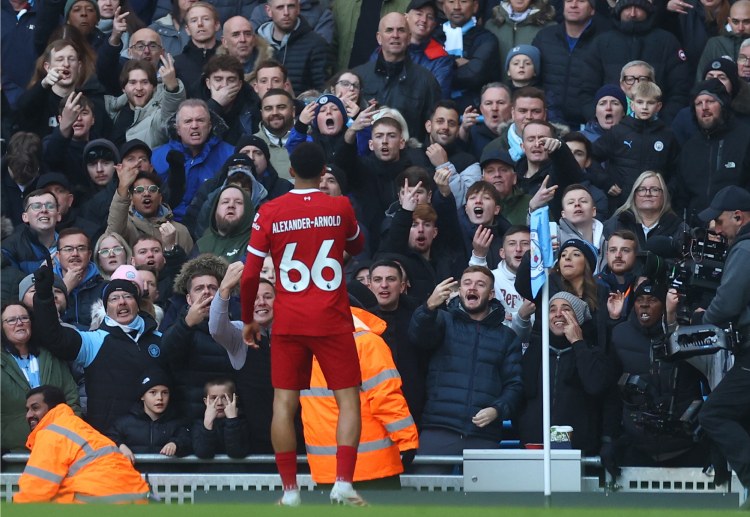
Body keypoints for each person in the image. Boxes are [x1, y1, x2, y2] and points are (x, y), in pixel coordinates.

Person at [240, 142, 366, 507]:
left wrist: (248, 318)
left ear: (290, 171)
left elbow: (250, 276)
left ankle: (291, 492)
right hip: (332, 318)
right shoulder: (339, 206)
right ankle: (342, 483)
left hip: (290, 320)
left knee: (284, 404)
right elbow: (357, 247)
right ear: (323, 171)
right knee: (348, 402)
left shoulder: (270, 210)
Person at [32, 256, 169, 432]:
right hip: (109, 439)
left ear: (137, 303)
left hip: (155, 439)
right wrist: (43, 296)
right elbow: (54, 337)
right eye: (114, 298)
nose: (122, 302)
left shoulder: (159, 338)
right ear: (106, 307)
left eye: (128, 296)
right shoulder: (94, 340)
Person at [409, 266, 523, 473]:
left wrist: (497, 410)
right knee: (425, 500)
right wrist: (428, 308)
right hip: (438, 427)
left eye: (480, 284)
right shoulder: (442, 320)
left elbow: (514, 385)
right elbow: (419, 337)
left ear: (491, 294)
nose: (472, 288)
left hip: (483, 434)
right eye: (467, 283)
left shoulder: (507, 337)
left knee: (482, 504)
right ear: (460, 291)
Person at [691, 186, 750, 494]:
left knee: (714, 414)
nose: (715, 228)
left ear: (738, 217)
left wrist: (703, 318)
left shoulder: (745, 248)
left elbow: (727, 303)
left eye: (718, 221)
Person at [611, 281, 708, 467]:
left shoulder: (686, 334)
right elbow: (610, 392)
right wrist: (611, 439)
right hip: (638, 448)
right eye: (640, 299)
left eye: (652, 299)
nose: (645, 304)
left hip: (686, 447)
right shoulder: (619, 335)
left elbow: (711, 385)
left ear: (665, 305)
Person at [14, 385, 150, 503]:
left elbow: (34, 492)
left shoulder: (51, 434)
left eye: (35, 408)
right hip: (135, 499)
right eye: (27, 410)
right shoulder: (78, 427)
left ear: (52, 409)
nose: (28, 415)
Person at [517, 291, 615, 454]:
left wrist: (578, 342)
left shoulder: (593, 353)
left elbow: (595, 386)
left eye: (566, 309)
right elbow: (520, 393)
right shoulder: (536, 351)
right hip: (534, 446)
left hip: (579, 450)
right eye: (552, 309)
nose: (558, 315)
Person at [581, 0, 690, 123]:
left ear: (647, 10)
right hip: (609, 130)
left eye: (638, 8)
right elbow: (587, 91)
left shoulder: (667, 42)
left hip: (656, 129)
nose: (632, 13)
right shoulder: (601, 42)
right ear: (618, 10)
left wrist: (662, 122)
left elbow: (680, 90)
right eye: (627, 8)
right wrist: (600, 120)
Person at [1, 303, 80, 451]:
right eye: (11, 320)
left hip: (59, 446)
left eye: (24, 318)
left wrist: (69, 434)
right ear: (1, 327)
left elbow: (71, 399)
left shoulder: (51, 356)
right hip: (13, 449)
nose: (19, 323)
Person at [591, 81, 681, 210]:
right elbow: (591, 157)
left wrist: (667, 193)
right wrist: (605, 182)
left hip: (655, 205)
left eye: (650, 103)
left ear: (659, 106)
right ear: (632, 105)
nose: (644, 107)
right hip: (622, 203)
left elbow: (677, 170)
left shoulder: (667, 135)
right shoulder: (618, 131)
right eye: (640, 102)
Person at [354, 12, 441, 141]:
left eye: (401, 30)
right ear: (379, 38)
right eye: (389, 30)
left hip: (410, 156)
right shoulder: (359, 76)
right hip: (364, 156)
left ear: (409, 37)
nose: (395, 35)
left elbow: (433, 130)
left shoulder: (426, 81)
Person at [673, 79, 750, 219]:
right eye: (698, 103)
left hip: (737, 228)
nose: (704, 107)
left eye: (710, 101)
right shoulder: (689, 148)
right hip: (696, 229)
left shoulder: (745, 138)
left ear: (723, 105)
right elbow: (681, 197)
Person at [151, 99, 235, 220]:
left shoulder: (230, 155)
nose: (194, 126)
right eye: (188, 121)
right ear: (178, 129)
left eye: (200, 120)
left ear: (210, 126)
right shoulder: (157, 157)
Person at [532, 0, 605, 127]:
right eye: (569, 0)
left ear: (592, 9)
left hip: (588, 123)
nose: (573, 5)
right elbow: (534, 79)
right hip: (548, 120)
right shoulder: (545, 36)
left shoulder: (604, 40)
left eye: (581, 1)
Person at [106, 167, 194, 254]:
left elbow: (189, 266)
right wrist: (123, 187)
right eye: (139, 190)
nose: (146, 194)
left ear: (160, 197)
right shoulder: (125, 227)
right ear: (131, 198)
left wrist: (171, 248)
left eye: (152, 189)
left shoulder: (180, 231)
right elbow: (113, 234)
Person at [107, 371, 192, 462]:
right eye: (153, 392)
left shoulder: (177, 423)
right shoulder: (125, 423)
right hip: (134, 475)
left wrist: (175, 444)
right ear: (142, 396)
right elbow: (107, 438)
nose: (160, 397)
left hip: (166, 475)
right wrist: (121, 446)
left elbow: (188, 440)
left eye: (165, 392)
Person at [105, 57, 185, 148]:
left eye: (145, 82)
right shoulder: (114, 110)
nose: (139, 88)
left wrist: (172, 87)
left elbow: (169, 115)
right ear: (123, 88)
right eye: (133, 82)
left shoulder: (158, 115)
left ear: (154, 87)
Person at [435, 0, 501, 110]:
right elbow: (425, 74)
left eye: (463, 1)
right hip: (437, 112)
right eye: (451, 1)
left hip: (474, 112)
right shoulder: (433, 37)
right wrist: (454, 61)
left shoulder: (486, 39)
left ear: (475, 6)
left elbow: (474, 75)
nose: (456, 7)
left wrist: (439, 69)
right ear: (443, 7)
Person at [256, 0, 332, 95]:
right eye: (280, 7)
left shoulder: (316, 44)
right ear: (268, 11)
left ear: (298, 8)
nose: (286, 13)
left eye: (291, 6)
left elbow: (323, 89)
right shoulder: (256, 43)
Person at [603, 170, 689, 246]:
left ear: (664, 195)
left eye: (654, 189)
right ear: (634, 195)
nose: (648, 194)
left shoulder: (679, 228)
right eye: (642, 189)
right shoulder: (616, 224)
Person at [404, 0, 453, 99]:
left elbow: (439, 97)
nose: (423, 20)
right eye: (419, 14)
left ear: (434, 24)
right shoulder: (389, 47)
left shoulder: (441, 59)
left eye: (429, 17)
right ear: (405, 17)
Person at [192, 378, 249, 459]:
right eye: (213, 398)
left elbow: (237, 453)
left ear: (234, 399)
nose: (219, 403)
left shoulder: (242, 423)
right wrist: (208, 424)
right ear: (205, 401)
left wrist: (232, 420)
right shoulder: (199, 425)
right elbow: (203, 453)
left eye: (225, 397)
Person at [173, 2, 221, 97]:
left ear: (216, 25)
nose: (200, 24)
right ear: (187, 29)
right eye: (194, 20)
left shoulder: (229, 58)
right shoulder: (176, 63)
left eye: (206, 19)